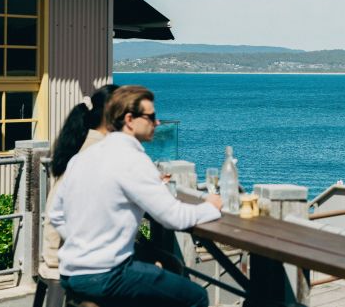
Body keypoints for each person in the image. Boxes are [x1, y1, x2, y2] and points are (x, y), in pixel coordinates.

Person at [50, 86, 222, 307]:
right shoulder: (133, 160)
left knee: (166, 270)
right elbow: (174, 217)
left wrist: (82, 241)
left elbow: (56, 214)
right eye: (151, 117)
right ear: (130, 120)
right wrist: (211, 206)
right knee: (195, 296)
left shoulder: (83, 158)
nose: (157, 123)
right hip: (108, 275)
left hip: (70, 272)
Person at [37, 84, 119, 307]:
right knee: (165, 265)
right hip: (71, 258)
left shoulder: (80, 141)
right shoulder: (99, 151)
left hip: (58, 250)